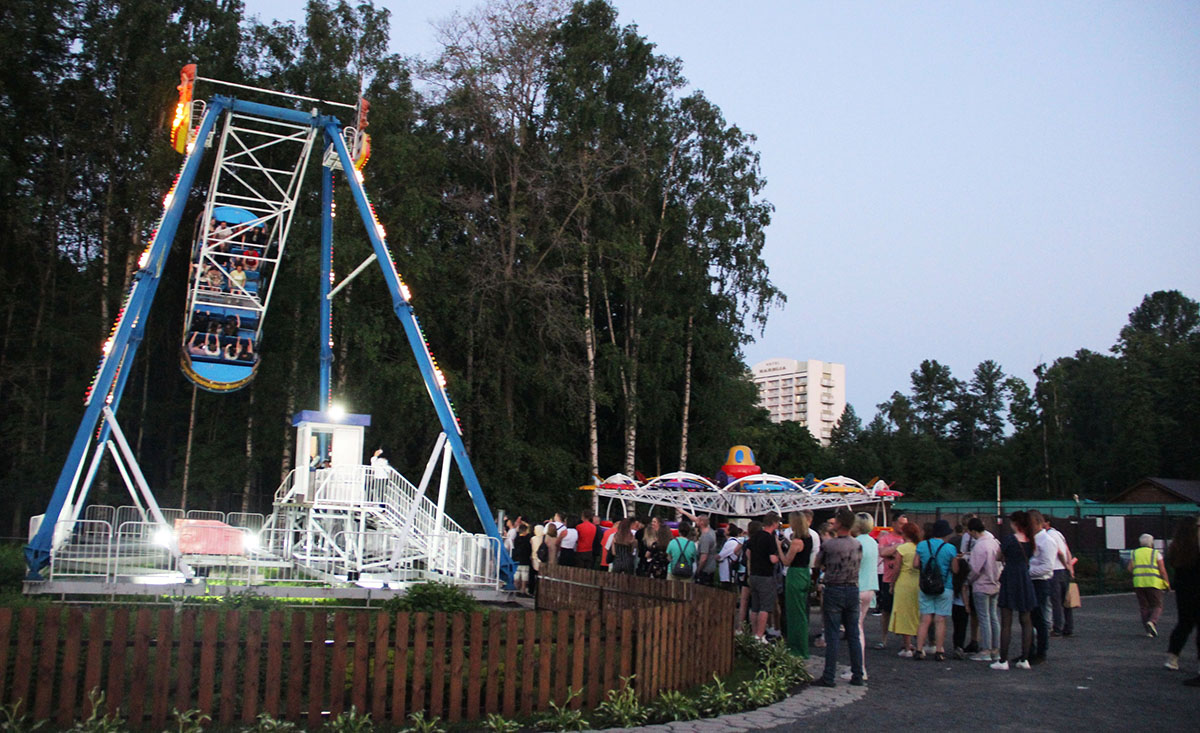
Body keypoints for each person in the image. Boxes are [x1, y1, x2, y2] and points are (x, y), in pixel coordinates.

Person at [811, 508, 864, 687]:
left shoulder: (829, 545)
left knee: (832, 634)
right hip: (852, 588)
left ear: (839, 523)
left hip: (834, 588)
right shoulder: (857, 544)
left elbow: (817, 563)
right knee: (853, 634)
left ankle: (829, 676)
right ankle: (858, 674)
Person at [993, 511, 1037, 671]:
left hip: (1010, 577)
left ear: (1015, 523)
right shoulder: (1031, 541)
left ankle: (1003, 660)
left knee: (1006, 622)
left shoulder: (1010, 540)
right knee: (1026, 621)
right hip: (1025, 578)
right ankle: (1025, 659)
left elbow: (998, 556)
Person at [913, 519, 958, 661]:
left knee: (924, 619)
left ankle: (919, 649)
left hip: (926, 585)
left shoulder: (922, 545)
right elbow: (955, 569)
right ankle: (939, 650)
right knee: (940, 620)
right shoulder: (950, 548)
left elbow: (915, 564)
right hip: (945, 586)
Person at [1164, 516, 1200, 684]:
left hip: (1183, 591)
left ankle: (1172, 658)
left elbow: (1172, 564)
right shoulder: (1197, 546)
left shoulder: (1176, 547)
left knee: (1184, 624)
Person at [883, 521, 921, 657]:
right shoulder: (919, 547)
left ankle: (907, 646)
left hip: (904, 583)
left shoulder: (902, 549)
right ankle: (920, 643)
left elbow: (896, 570)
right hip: (917, 582)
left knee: (904, 613)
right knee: (917, 613)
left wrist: (892, 584)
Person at [966, 517, 1002, 662]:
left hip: (982, 585)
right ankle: (996, 649)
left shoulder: (980, 546)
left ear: (973, 531)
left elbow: (975, 569)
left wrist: (968, 580)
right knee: (993, 616)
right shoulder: (995, 542)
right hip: (995, 583)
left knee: (984, 617)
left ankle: (986, 649)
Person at [776, 512, 812, 657]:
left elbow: (786, 561)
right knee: (801, 610)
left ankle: (797, 647)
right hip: (804, 573)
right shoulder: (808, 538)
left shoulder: (797, 541)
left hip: (795, 574)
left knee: (794, 612)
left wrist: (779, 546)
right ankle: (800, 646)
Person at [847, 513, 878, 678]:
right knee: (858, 625)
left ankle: (859, 668)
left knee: (855, 628)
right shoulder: (873, 542)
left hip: (857, 587)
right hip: (870, 587)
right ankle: (858, 666)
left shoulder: (856, 543)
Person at [746, 513, 782, 643]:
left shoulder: (755, 536)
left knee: (754, 606)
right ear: (774, 523)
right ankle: (760, 635)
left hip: (754, 574)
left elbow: (748, 551)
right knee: (765, 607)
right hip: (765, 575)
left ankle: (754, 633)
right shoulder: (769, 538)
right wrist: (779, 557)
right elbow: (772, 559)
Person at [1129, 532, 1171, 638]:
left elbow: (1130, 568)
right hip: (1153, 583)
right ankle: (1152, 621)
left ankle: (1148, 631)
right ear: (1151, 543)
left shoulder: (1134, 553)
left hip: (1138, 583)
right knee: (1157, 605)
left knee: (1144, 607)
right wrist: (1167, 583)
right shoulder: (1155, 553)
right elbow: (1162, 570)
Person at [875, 515, 906, 648]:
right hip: (888, 578)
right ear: (894, 523)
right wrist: (898, 548)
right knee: (886, 610)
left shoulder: (908, 538)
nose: (903, 527)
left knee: (905, 610)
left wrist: (893, 551)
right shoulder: (886, 538)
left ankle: (906, 642)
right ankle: (884, 639)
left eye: (905, 524)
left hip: (904, 579)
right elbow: (882, 552)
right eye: (900, 523)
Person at [1044, 516, 1075, 637]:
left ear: (1047, 523)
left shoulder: (1048, 536)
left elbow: (1060, 553)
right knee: (1066, 601)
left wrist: (1064, 564)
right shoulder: (1059, 534)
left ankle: (1057, 627)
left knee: (1056, 601)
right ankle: (1069, 626)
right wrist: (1070, 567)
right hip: (1063, 572)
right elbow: (1067, 551)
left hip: (1055, 570)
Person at [694, 516, 719, 585]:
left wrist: (698, 570)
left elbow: (704, 558)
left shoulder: (705, 537)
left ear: (701, 523)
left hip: (705, 570)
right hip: (711, 567)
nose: (695, 522)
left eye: (697, 520)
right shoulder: (711, 532)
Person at [719, 524, 744, 590]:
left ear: (729, 531)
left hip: (727, 575)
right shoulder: (732, 542)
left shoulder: (731, 543)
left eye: (726, 528)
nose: (724, 529)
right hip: (727, 574)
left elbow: (720, 556)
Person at [512, 522, 533, 593]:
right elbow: (529, 549)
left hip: (517, 560)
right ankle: (523, 589)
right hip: (525, 560)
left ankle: (515, 588)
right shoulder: (527, 539)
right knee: (524, 575)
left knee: (516, 575)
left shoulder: (516, 539)